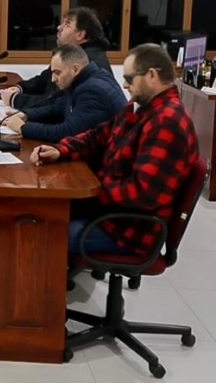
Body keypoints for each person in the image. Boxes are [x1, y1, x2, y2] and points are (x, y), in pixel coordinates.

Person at [30, 43, 199, 255]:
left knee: (39, 234)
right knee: (38, 215)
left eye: (129, 78)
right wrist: (60, 150)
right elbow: (98, 135)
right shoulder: (139, 106)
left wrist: (87, 194)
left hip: (125, 230)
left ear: (152, 76)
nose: (125, 85)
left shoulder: (167, 122)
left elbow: (142, 193)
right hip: (109, 213)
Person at [4, 44, 125, 142]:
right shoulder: (85, 80)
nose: (53, 79)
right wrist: (26, 115)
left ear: (75, 69)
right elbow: (58, 107)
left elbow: (67, 132)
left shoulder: (93, 90)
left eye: (57, 72)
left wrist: (23, 128)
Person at [1, 7, 113, 109]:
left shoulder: (84, 62)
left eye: (67, 25)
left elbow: (57, 102)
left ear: (80, 35)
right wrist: (20, 88)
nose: (59, 27)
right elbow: (43, 80)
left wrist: (15, 100)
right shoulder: (71, 54)